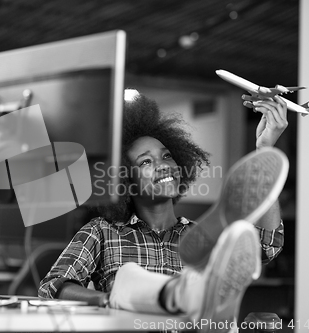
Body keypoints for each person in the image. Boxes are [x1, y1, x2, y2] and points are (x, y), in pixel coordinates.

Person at [38, 90, 288, 330]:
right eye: (146, 161)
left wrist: (266, 148)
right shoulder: (102, 233)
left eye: (167, 156)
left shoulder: (199, 236)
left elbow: (267, 245)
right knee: (128, 277)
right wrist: (107, 300)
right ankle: (188, 295)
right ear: (124, 180)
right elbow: (53, 286)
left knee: (224, 248)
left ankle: (198, 301)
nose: (163, 166)